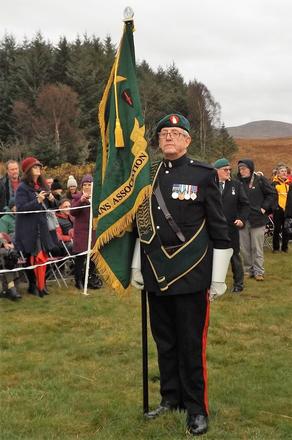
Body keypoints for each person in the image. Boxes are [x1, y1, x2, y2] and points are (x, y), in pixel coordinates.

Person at [131, 114, 232, 436]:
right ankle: (170, 399)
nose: (169, 138)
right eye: (164, 133)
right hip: (156, 273)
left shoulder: (203, 175)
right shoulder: (149, 175)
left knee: (191, 344)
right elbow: (141, 227)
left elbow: (218, 226)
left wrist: (218, 276)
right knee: (165, 342)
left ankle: (196, 408)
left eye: (176, 133)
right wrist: (137, 265)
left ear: (187, 140)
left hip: (191, 274)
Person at [15, 156, 57, 297]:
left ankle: (41, 285)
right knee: (31, 258)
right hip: (28, 229)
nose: (38, 168)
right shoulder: (22, 188)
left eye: (39, 166)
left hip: (42, 227)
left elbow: (52, 207)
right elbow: (20, 209)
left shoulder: (42, 185)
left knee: (42, 257)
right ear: (28, 170)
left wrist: (52, 200)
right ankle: (33, 285)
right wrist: (37, 200)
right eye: (34, 167)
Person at [214, 158, 250, 292]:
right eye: (225, 170)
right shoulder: (210, 185)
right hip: (213, 228)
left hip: (231, 227)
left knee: (234, 256)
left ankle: (238, 285)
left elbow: (245, 205)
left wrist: (241, 219)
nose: (228, 172)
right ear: (216, 171)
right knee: (213, 257)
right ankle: (214, 285)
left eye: (229, 169)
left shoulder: (236, 185)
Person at [237, 159, 277, 281]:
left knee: (257, 247)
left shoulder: (260, 180)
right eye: (240, 169)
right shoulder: (237, 181)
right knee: (244, 248)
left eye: (244, 168)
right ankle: (248, 270)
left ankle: (259, 271)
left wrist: (264, 207)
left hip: (258, 219)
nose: (241, 171)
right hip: (242, 219)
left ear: (250, 168)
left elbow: (272, 194)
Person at [71, 175, 102, 290]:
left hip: (93, 231)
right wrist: (81, 201)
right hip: (81, 232)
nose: (87, 187)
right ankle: (78, 280)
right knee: (80, 258)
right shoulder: (77, 197)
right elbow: (72, 212)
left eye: (89, 185)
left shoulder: (97, 198)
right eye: (85, 185)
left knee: (93, 257)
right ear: (82, 186)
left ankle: (89, 277)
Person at [272, 164, 290, 253]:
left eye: (285, 171)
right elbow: (271, 196)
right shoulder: (274, 183)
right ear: (278, 173)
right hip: (277, 209)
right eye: (282, 171)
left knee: (286, 229)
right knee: (277, 229)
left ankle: (285, 248)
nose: (284, 173)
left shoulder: (288, 184)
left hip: (287, 210)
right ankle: (275, 248)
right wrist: (274, 207)